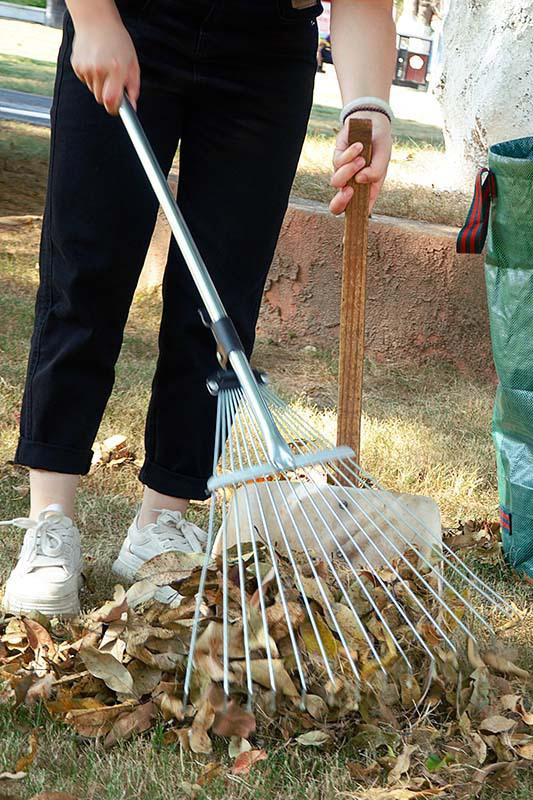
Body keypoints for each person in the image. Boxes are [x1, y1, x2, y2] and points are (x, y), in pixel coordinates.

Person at [2, 0, 395, 616]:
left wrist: (368, 104)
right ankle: (51, 523)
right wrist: (96, 19)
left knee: (220, 298)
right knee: (86, 274)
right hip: (134, 19)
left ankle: (163, 523)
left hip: (265, 58)